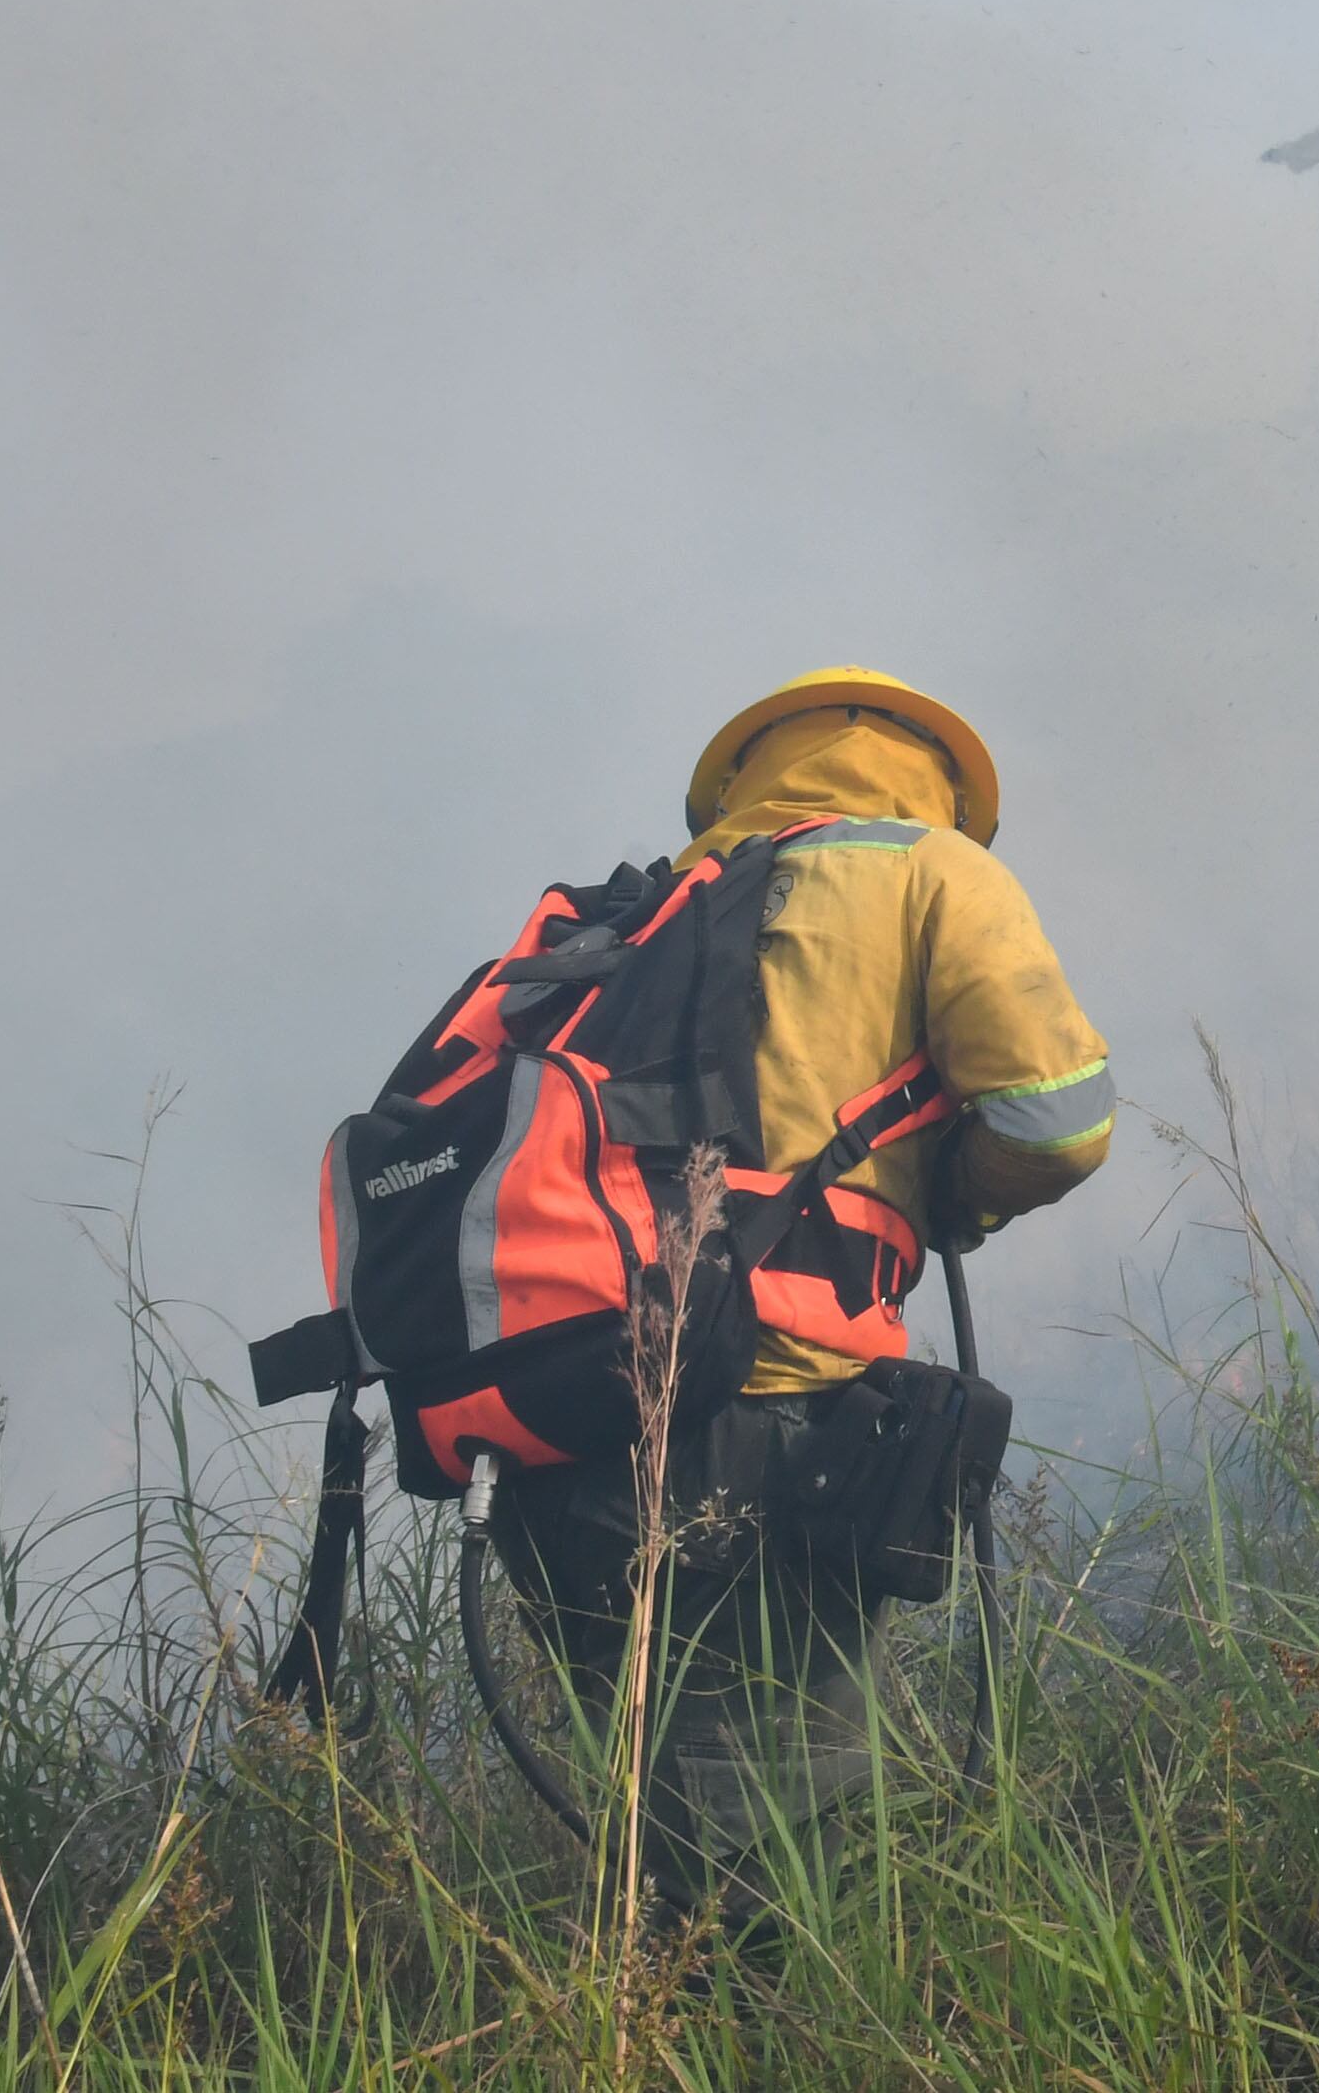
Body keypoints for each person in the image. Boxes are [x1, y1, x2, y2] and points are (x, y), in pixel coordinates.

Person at [490, 666, 1115, 1922]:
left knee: (672, 1843)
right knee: (786, 1895)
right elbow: (1059, 1120)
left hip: (558, 1447)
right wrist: (952, 1194)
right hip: (759, 1428)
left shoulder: (631, 916)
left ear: (743, 777)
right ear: (937, 781)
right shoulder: (932, 869)